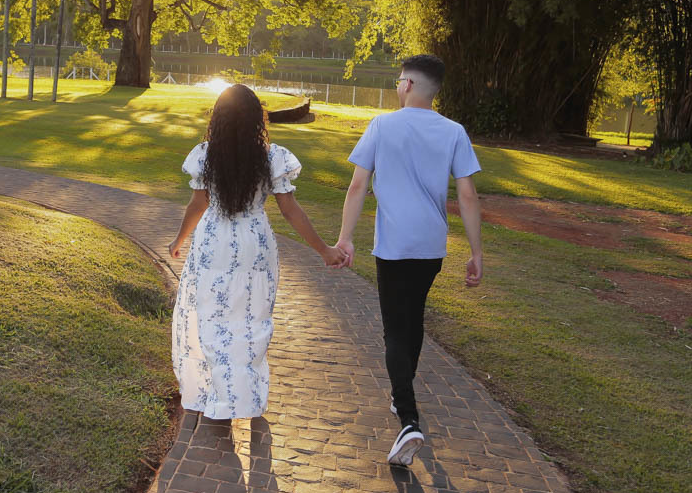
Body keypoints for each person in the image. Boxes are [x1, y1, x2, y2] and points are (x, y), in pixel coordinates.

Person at [334, 54, 483, 466]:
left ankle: (408, 418)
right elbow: (468, 195)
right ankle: (403, 393)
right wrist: (476, 252)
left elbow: (358, 186)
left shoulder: (382, 125)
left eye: (399, 81)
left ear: (409, 85)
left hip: (395, 246)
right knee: (412, 319)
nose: (397, 87)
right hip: (431, 246)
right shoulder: (454, 131)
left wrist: (345, 238)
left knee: (395, 331)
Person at [167, 83, 348, 421]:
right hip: (254, 243)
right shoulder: (271, 158)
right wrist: (324, 250)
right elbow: (291, 211)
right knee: (251, 320)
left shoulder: (206, 156)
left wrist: (179, 240)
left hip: (214, 242)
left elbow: (197, 205)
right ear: (256, 119)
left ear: (218, 119)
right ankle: (245, 397)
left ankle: (219, 395)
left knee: (213, 317)